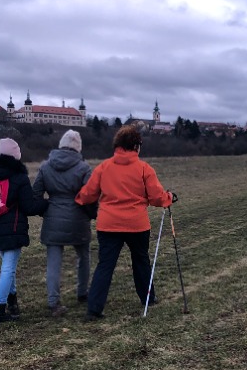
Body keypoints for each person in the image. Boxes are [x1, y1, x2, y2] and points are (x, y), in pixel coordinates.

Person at [75, 125, 175, 320]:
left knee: (105, 265)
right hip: (136, 224)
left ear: (117, 145)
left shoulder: (104, 167)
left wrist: (77, 199)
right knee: (140, 261)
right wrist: (169, 197)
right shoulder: (144, 168)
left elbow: (88, 194)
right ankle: (148, 298)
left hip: (108, 224)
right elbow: (156, 197)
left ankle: (94, 309)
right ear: (136, 146)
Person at [0, 137, 48, 325]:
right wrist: (47, 205)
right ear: (17, 155)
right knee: (8, 268)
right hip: (14, 228)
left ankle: (12, 303)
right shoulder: (19, 177)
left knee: (9, 268)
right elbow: (29, 207)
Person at [32, 129, 93, 317]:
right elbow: (90, 197)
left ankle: (54, 302)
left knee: (53, 262)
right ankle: (82, 293)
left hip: (53, 218)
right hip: (78, 218)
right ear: (78, 147)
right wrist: (91, 214)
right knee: (83, 256)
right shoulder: (84, 168)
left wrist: (46, 210)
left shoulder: (45, 166)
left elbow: (36, 194)